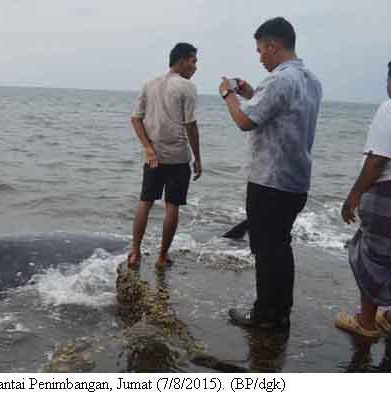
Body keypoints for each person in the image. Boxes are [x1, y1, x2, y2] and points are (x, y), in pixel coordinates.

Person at [219, 17, 322, 330]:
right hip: (295, 180)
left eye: (261, 50)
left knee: (266, 250)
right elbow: (277, 113)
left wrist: (229, 95)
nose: (260, 56)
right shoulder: (310, 80)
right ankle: (280, 313)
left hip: (270, 180)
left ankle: (264, 315)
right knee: (280, 246)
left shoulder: (279, 80)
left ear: (274, 46)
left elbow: (245, 121)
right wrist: (251, 93)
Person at [127, 43, 202, 269]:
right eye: (193, 61)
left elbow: (135, 118)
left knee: (145, 202)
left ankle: (136, 253)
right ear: (181, 61)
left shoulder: (149, 84)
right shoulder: (187, 87)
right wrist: (197, 158)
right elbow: (191, 125)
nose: (196, 66)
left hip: (153, 157)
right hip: (178, 157)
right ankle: (161, 257)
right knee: (172, 206)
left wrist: (147, 148)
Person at [334, 61, 391, 339]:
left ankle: (366, 323)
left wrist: (353, 196)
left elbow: (377, 160)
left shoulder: (389, 108)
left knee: (371, 255)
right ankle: (389, 316)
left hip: (385, 194)